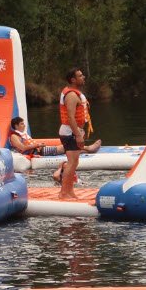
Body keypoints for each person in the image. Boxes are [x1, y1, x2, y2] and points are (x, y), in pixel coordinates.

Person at [58, 67, 91, 200]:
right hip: (70, 133)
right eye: (80, 76)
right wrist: (78, 135)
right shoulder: (71, 95)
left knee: (74, 162)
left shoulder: (75, 93)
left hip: (74, 132)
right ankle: (63, 193)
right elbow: (71, 118)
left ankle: (70, 191)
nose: (83, 77)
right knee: (71, 163)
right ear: (73, 79)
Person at [8, 116, 101, 157]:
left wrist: (38, 145)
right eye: (21, 124)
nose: (24, 125)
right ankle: (89, 148)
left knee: (68, 149)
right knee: (65, 147)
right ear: (16, 126)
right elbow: (23, 148)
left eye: (24, 123)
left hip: (39, 150)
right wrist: (37, 145)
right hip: (38, 152)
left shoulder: (22, 134)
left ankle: (87, 149)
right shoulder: (14, 136)